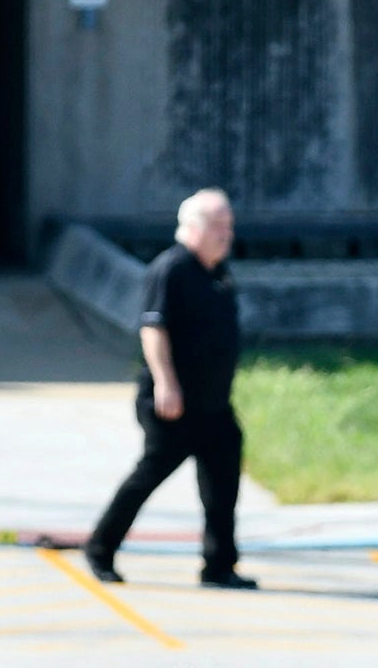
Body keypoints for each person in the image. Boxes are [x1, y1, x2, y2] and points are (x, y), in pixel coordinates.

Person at [84, 189, 255, 592]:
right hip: (174, 404)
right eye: (218, 225)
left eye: (229, 225)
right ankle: (99, 548)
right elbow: (153, 328)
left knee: (222, 483)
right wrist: (166, 382)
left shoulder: (218, 271)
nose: (226, 233)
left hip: (214, 405)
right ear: (193, 227)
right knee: (148, 477)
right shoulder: (172, 268)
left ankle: (218, 565)